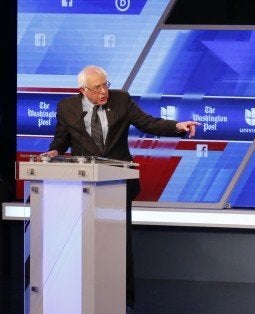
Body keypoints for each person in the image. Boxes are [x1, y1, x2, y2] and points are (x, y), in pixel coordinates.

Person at [43, 65, 200, 310]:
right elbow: (62, 138)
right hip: (81, 187)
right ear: (82, 90)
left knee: (118, 244)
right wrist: (54, 151)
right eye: (96, 88)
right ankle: (80, 293)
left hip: (116, 185)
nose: (103, 91)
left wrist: (177, 127)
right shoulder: (67, 107)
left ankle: (123, 300)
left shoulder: (121, 100)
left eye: (105, 84)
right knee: (83, 243)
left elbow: (148, 123)